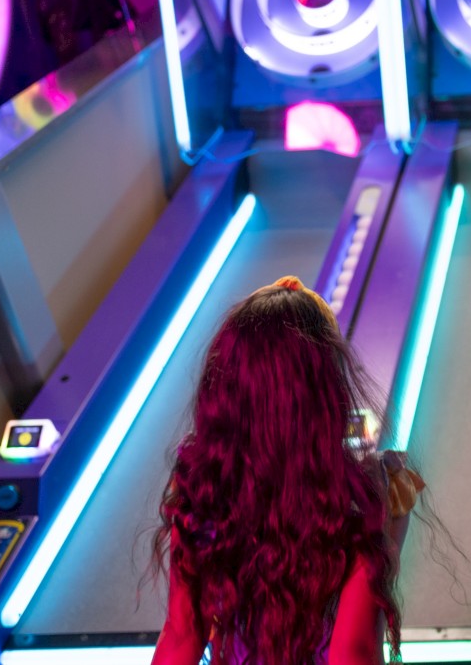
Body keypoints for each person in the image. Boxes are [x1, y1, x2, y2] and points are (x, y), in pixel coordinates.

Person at [151, 276, 424, 665]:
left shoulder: (202, 490)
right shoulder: (376, 491)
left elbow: (180, 639)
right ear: (327, 391)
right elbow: (354, 651)